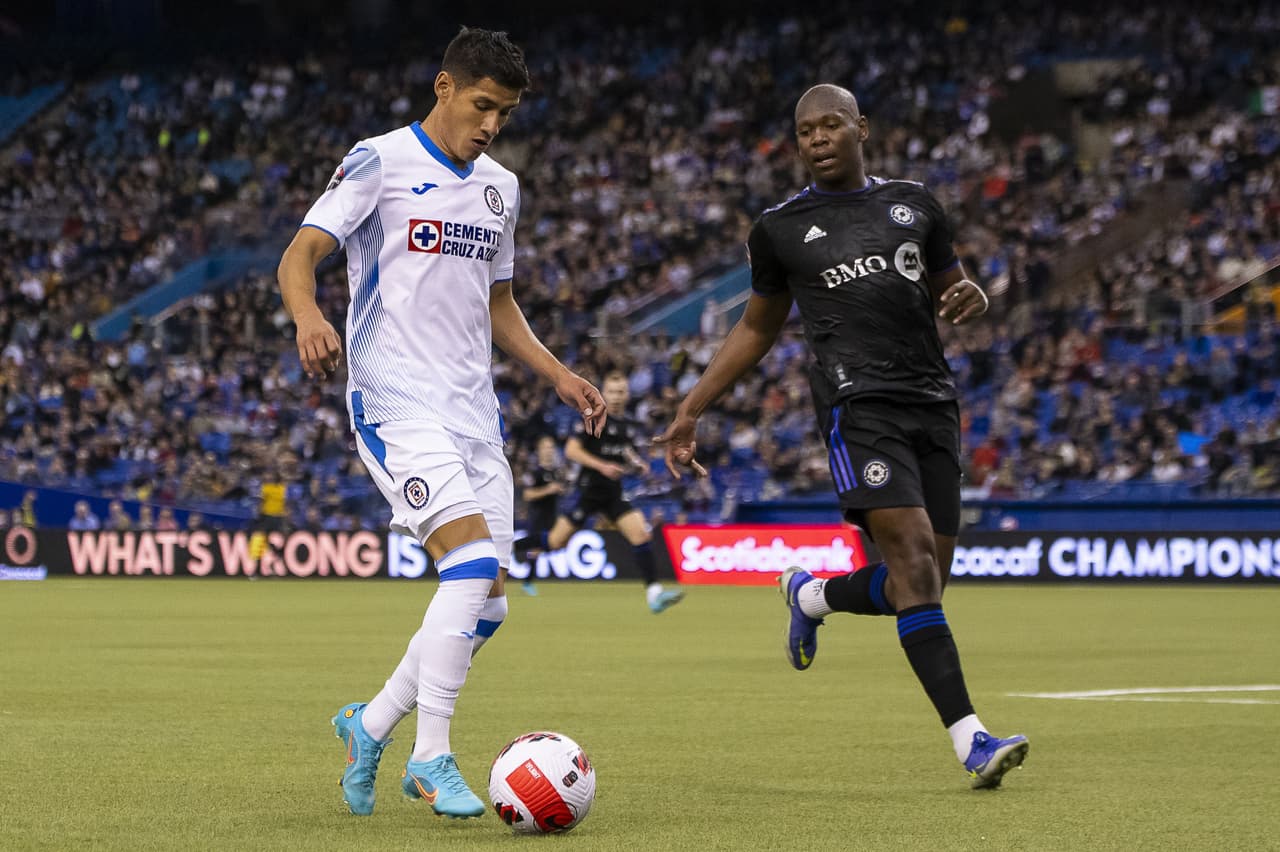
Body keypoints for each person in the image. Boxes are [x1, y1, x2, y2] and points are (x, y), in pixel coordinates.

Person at [656, 84, 1029, 789]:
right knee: (915, 568)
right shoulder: (780, 228)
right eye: (805, 131)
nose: (818, 138)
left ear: (862, 127)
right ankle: (972, 741)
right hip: (857, 410)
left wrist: (974, 294)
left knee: (922, 584)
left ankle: (811, 596)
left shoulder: (916, 205)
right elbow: (758, 328)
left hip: (932, 404)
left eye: (831, 125)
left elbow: (955, 290)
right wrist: (692, 406)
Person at [277, 27, 606, 819]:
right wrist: (307, 317)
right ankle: (432, 755)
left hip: (474, 414)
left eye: (506, 113)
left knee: (487, 600)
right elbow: (300, 253)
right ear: (444, 88)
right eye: (483, 105)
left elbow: (499, 304)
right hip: (394, 399)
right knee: (466, 565)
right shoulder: (379, 160)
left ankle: (371, 722)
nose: (491, 124)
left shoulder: (501, 189)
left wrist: (558, 373)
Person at [548, 371, 683, 613]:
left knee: (641, 534)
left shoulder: (630, 426)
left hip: (613, 493)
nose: (617, 397)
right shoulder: (592, 418)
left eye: (621, 392)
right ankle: (519, 550)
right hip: (589, 491)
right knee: (554, 542)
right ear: (603, 392)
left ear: (628, 394)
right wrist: (602, 466)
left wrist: (637, 463)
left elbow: (625, 452)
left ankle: (654, 595)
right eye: (612, 392)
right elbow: (571, 451)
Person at [511, 434, 566, 596]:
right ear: (539, 450)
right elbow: (528, 495)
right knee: (539, 546)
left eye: (551, 447)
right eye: (546, 447)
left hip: (552, 515)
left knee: (541, 548)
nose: (549, 451)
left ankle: (527, 581)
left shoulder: (556, 472)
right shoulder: (535, 473)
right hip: (538, 516)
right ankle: (511, 547)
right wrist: (549, 490)